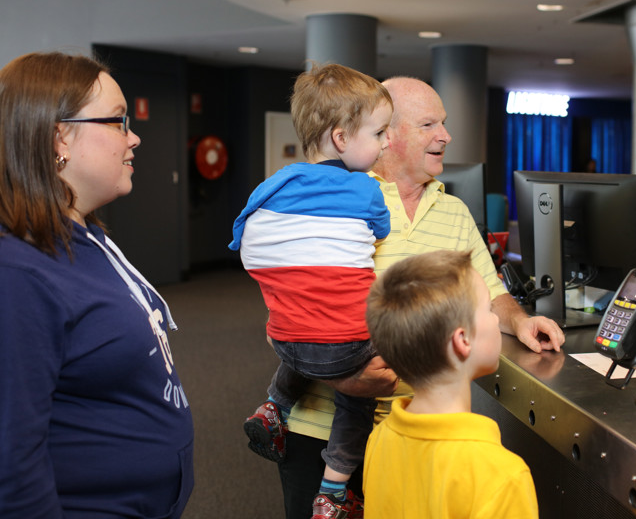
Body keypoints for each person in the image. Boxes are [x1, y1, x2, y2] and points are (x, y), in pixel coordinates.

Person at [276, 76, 564, 518]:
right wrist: (343, 379)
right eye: (429, 124)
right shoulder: (337, 202)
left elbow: (491, 292)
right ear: (386, 135)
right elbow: (286, 316)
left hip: (417, 430)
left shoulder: (455, 212)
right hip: (322, 429)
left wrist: (520, 320)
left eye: (443, 123)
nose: (445, 136)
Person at [0, 52, 194, 518]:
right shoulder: (17, 274)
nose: (134, 137)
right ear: (58, 138)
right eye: (118, 121)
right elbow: (12, 464)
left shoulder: (85, 235)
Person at [228, 63, 395, 517]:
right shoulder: (365, 189)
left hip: (285, 338)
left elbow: (241, 235)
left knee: (308, 328)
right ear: (341, 138)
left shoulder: (274, 183)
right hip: (346, 348)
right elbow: (381, 230)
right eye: (379, 133)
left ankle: (273, 407)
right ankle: (334, 491)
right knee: (357, 399)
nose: (385, 144)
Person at [363, 250, 539, 518]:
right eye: (489, 309)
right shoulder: (503, 477)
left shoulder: (379, 439)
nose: (496, 319)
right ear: (463, 340)